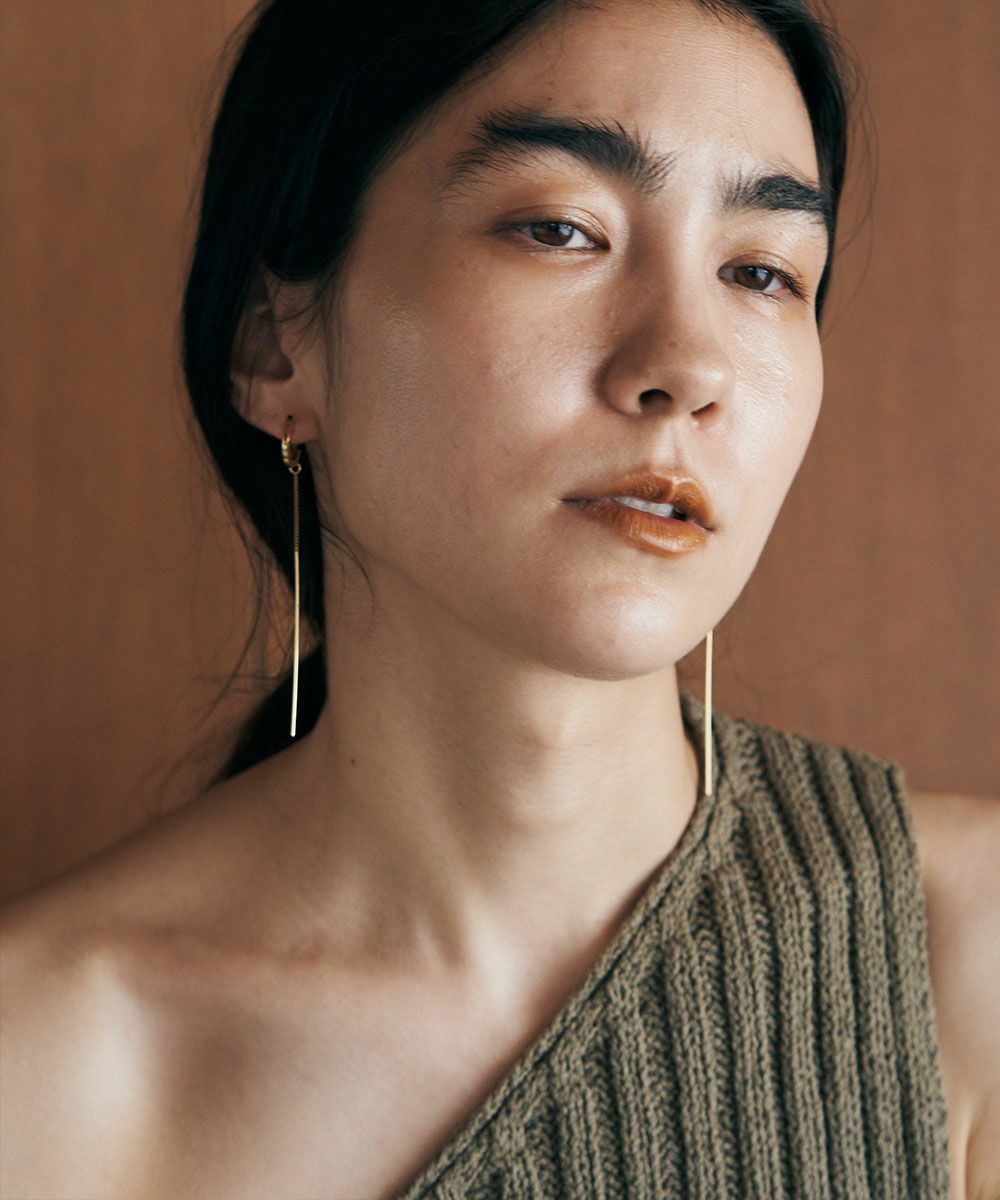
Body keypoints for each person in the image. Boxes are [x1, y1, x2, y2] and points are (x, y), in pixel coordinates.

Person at [1, 0, 997, 1197]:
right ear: (275, 344)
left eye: (760, 272)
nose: (687, 365)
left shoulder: (966, 956)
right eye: (560, 229)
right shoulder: (43, 1067)